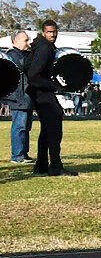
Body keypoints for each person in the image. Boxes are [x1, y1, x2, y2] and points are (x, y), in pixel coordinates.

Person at [25, 20, 74, 176]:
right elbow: (33, 74)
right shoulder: (44, 48)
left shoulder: (42, 46)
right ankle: (55, 166)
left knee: (47, 129)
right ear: (43, 32)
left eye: (54, 32)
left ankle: (41, 166)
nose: (53, 35)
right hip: (41, 92)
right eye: (49, 32)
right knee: (54, 128)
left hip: (39, 91)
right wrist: (54, 86)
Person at [4, 31, 33, 164]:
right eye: (25, 41)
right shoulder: (12, 55)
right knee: (19, 126)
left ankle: (23, 153)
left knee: (26, 127)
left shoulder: (25, 54)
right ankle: (17, 156)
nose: (28, 44)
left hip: (26, 96)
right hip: (18, 96)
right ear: (16, 41)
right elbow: (23, 65)